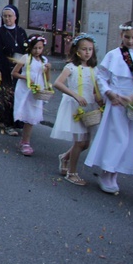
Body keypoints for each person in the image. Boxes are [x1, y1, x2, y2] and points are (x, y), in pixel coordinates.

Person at [85, 21, 133, 194]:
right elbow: (101, 77)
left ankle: (115, 173)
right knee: (117, 138)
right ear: (121, 36)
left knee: (130, 140)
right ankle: (107, 172)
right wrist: (109, 93)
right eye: (127, 37)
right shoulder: (113, 55)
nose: (130, 41)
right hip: (117, 100)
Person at [50, 34, 103, 186]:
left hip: (89, 106)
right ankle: (72, 173)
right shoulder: (71, 67)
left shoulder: (94, 69)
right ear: (77, 50)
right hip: (74, 106)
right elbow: (58, 83)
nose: (87, 52)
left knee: (85, 143)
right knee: (79, 142)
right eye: (84, 49)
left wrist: (100, 100)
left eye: (90, 49)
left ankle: (65, 157)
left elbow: (94, 88)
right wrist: (74, 95)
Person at [12, 35, 52, 156]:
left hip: (37, 90)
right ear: (30, 47)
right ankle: (25, 142)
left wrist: (48, 70)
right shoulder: (26, 58)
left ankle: (25, 141)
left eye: (40, 48)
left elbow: (47, 78)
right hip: (25, 90)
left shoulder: (44, 60)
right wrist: (25, 77)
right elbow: (14, 73)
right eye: (35, 48)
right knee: (27, 114)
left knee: (32, 116)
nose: (37, 51)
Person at [0, 5, 28, 136]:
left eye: (10, 16)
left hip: (19, 69)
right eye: (5, 16)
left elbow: (26, 49)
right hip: (4, 68)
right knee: (6, 96)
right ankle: (7, 123)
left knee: (18, 95)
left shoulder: (21, 31)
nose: (7, 19)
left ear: (15, 17)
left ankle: (17, 120)